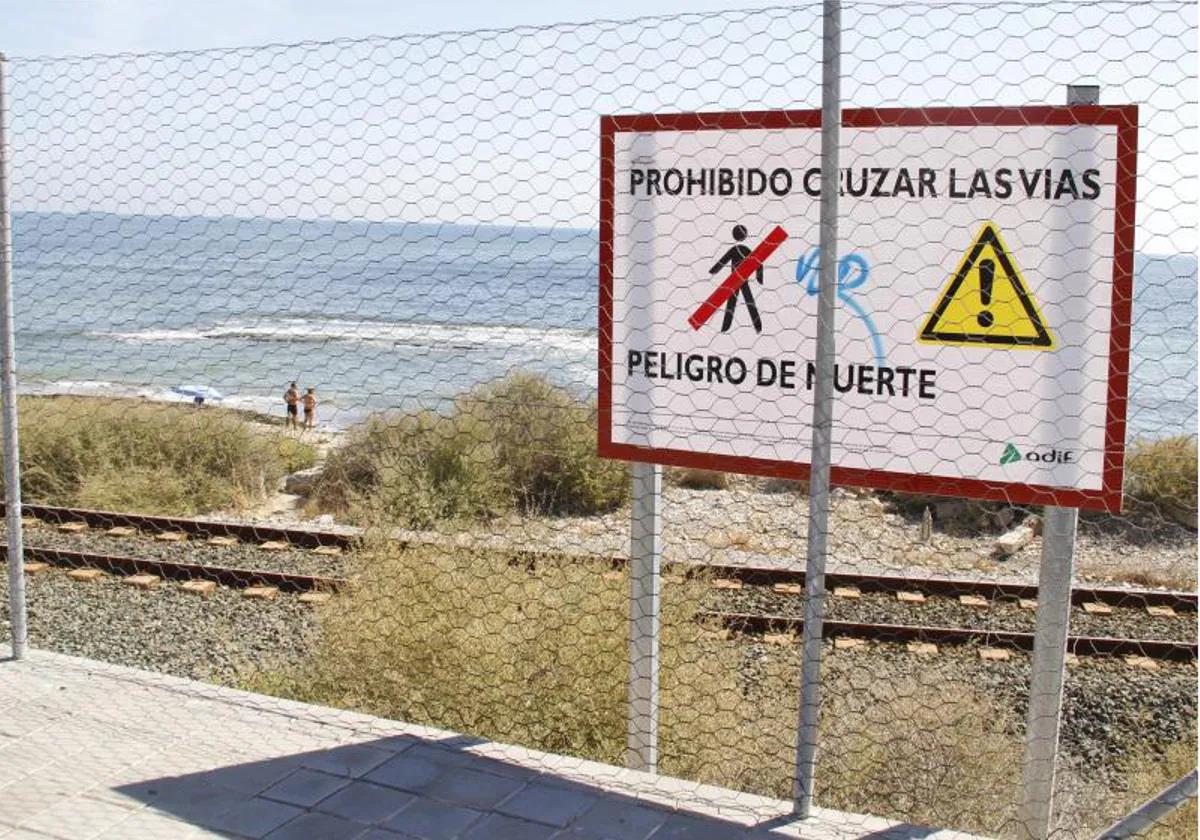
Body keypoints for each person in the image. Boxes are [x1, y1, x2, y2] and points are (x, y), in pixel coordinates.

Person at [709, 223, 763, 333]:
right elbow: (759, 263)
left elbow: (722, 261)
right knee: (748, 301)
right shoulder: (746, 249)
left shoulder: (735, 249)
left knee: (733, 303)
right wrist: (759, 277)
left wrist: (713, 271)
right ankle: (757, 326)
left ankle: (726, 327)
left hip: (737, 279)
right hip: (740, 279)